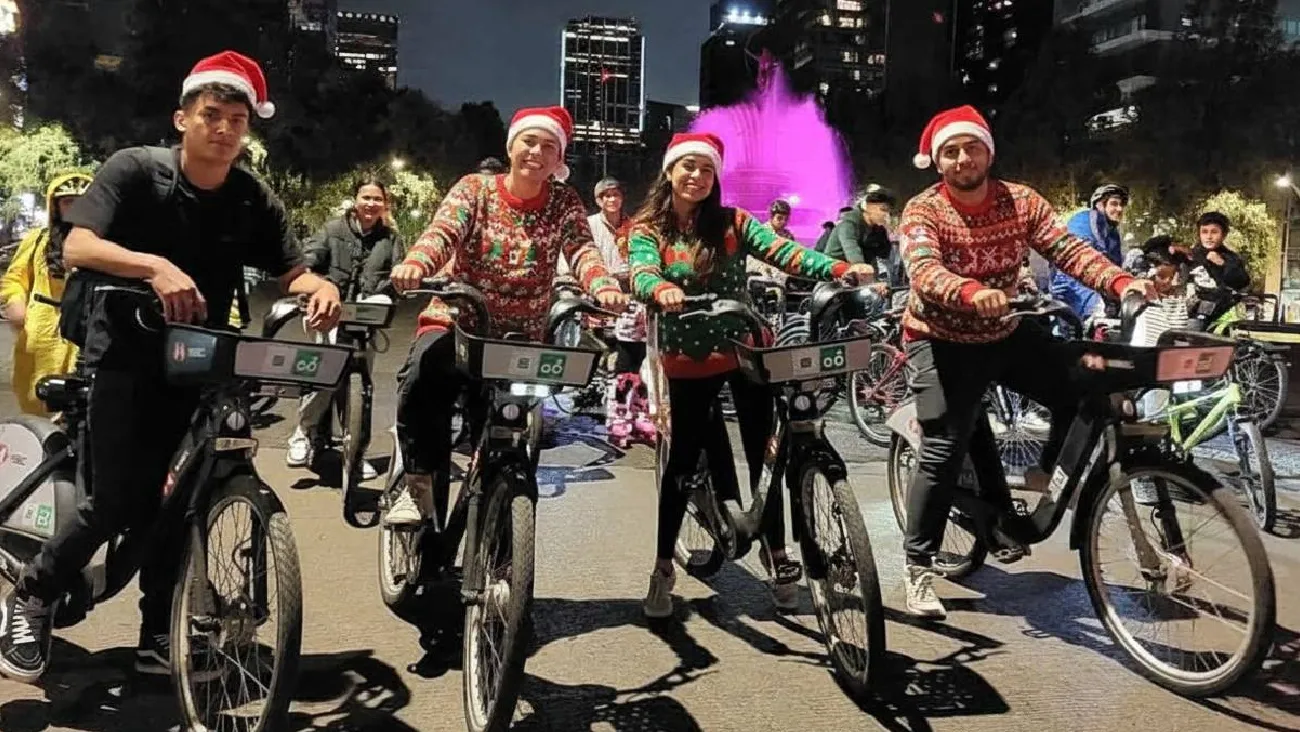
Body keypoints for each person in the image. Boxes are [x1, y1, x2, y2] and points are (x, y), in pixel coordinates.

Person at [0, 51, 341, 684]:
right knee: (114, 502)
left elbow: (292, 266)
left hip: (202, 360)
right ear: (182, 118)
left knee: (186, 498)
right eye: (212, 115)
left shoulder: (249, 196)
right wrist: (152, 266)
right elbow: (77, 245)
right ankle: (34, 597)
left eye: (238, 119)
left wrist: (316, 286)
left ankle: (159, 634)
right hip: (125, 356)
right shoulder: (135, 171)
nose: (225, 129)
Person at [897, 105, 1154, 619]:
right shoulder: (923, 210)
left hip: (1006, 330)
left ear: (988, 151)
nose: (963, 158)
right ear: (938, 161)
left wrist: (1121, 282)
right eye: (951, 151)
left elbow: (1067, 250)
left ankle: (1041, 477)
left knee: (1082, 384)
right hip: (939, 338)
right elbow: (922, 268)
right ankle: (918, 565)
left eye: (972, 147)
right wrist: (968, 291)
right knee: (945, 444)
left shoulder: (1022, 201)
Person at [628, 132, 875, 618]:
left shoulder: (733, 222)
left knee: (769, 454)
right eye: (688, 167)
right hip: (688, 356)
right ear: (670, 172)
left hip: (745, 349)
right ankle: (661, 568)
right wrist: (657, 287)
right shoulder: (647, 228)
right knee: (680, 464)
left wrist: (838, 269)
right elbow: (640, 270)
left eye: (705, 169)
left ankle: (778, 555)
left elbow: (785, 253)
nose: (696, 176)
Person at [386, 106, 627, 526]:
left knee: (507, 431)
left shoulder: (564, 203)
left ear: (559, 159)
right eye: (529, 142)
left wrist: (602, 285)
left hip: (518, 337)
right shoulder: (474, 189)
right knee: (420, 382)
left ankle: (497, 520)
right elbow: (443, 233)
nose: (537, 152)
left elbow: (583, 250)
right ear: (511, 146)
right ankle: (416, 484)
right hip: (458, 321)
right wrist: (417, 264)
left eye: (549, 146)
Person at [287, 178, 404, 473]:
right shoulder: (332, 230)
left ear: (384, 204)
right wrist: (313, 283)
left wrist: (387, 293)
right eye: (366, 197)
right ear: (355, 200)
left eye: (377, 199)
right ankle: (303, 433)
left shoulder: (391, 239)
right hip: (328, 313)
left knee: (363, 387)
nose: (371, 203)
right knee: (323, 377)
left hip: (367, 320)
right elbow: (309, 260)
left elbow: (398, 278)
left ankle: (355, 454)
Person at [0, 172, 91, 415]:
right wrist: (14, 302)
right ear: (56, 205)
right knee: (36, 396)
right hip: (41, 327)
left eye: (81, 201)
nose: (74, 208)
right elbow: (14, 279)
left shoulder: (102, 242)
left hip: (84, 326)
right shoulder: (38, 240)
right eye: (68, 201)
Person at [1051, 184, 1128, 319]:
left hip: (1094, 289)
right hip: (1071, 289)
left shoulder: (1112, 233)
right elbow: (1075, 264)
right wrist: (1094, 304)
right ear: (1099, 205)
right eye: (1114, 204)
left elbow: (1114, 268)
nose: (1119, 209)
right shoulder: (1084, 220)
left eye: (1121, 205)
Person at [1187, 211, 1250, 327]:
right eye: (1204, 232)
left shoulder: (1231, 258)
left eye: (1214, 232)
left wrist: (1222, 264)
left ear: (1224, 235)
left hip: (1222, 313)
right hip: (1191, 313)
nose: (1209, 237)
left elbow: (1242, 282)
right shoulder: (1191, 255)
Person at [821, 184, 895, 268]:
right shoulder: (849, 223)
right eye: (883, 210)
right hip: (833, 274)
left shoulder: (878, 229)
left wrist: (887, 233)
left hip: (856, 274)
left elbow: (884, 254)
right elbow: (852, 252)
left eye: (889, 212)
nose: (886, 215)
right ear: (866, 206)